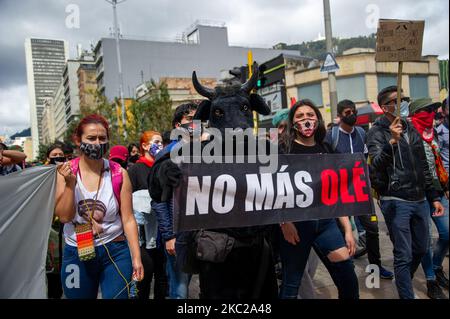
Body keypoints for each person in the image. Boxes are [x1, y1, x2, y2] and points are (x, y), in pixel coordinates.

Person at [367, 86, 444, 299]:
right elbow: (375, 166)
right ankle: (406, 294)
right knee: (403, 255)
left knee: (420, 249)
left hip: (419, 198)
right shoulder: (376, 132)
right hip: (395, 199)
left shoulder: (410, 127)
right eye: (398, 99)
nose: (403, 102)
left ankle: (403, 282)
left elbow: (423, 164)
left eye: (405, 98)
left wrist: (434, 196)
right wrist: (391, 141)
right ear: (385, 107)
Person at [55, 114, 143, 299]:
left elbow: (128, 219)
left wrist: (136, 257)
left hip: (116, 252)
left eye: (102, 138)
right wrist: (70, 184)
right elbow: (64, 217)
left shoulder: (119, 173)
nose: (97, 143)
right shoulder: (65, 172)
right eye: (91, 138)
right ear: (78, 141)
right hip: (76, 252)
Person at [278, 99, 359, 299]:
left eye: (310, 115)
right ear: (292, 122)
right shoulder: (283, 149)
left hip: (326, 224)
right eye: (299, 116)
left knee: (348, 278)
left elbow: (337, 192)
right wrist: (285, 223)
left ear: (317, 119)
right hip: (296, 225)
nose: (306, 119)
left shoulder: (327, 148)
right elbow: (274, 190)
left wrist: (348, 229)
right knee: (291, 284)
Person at [325, 99, 394, 280]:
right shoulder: (331, 136)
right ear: (339, 116)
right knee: (342, 233)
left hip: (360, 189)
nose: (352, 115)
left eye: (353, 111)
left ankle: (375, 268)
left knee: (372, 229)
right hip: (340, 192)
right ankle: (347, 271)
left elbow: (366, 159)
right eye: (348, 112)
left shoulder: (362, 133)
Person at [148, 103, 197, 299]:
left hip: (200, 232)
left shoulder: (205, 152)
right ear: (178, 125)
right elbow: (159, 200)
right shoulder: (168, 155)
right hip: (178, 234)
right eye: (190, 120)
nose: (195, 124)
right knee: (180, 288)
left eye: (199, 119)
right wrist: (169, 236)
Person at [407, 98, 449, 299]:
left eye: (433, 110)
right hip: (420, 195)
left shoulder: (434, 134)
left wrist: (445, 186)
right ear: (415, 113)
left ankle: (437, 265)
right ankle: (431, 279)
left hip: (440, 191)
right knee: (424, 240)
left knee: (447, 234)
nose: (431, 114)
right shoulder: (410, 134)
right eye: (426, 110)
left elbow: (438, 162)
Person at [128, 130, 168, 299]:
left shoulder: (165, 166)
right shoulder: (136, 170)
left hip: (164, 232)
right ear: (144, 146)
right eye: (156, 142)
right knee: (144, 278)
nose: (160, 146)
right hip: (143, 236)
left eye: (161, 143)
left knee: (163, 279)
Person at [45, 143, 68, 299]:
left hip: (69, 227)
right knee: (54, 274)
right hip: (51, 228)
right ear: (47, 158)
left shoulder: (71, 174)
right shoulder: (44, 178)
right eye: (54, 155)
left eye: (60, 155)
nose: (58, 158)